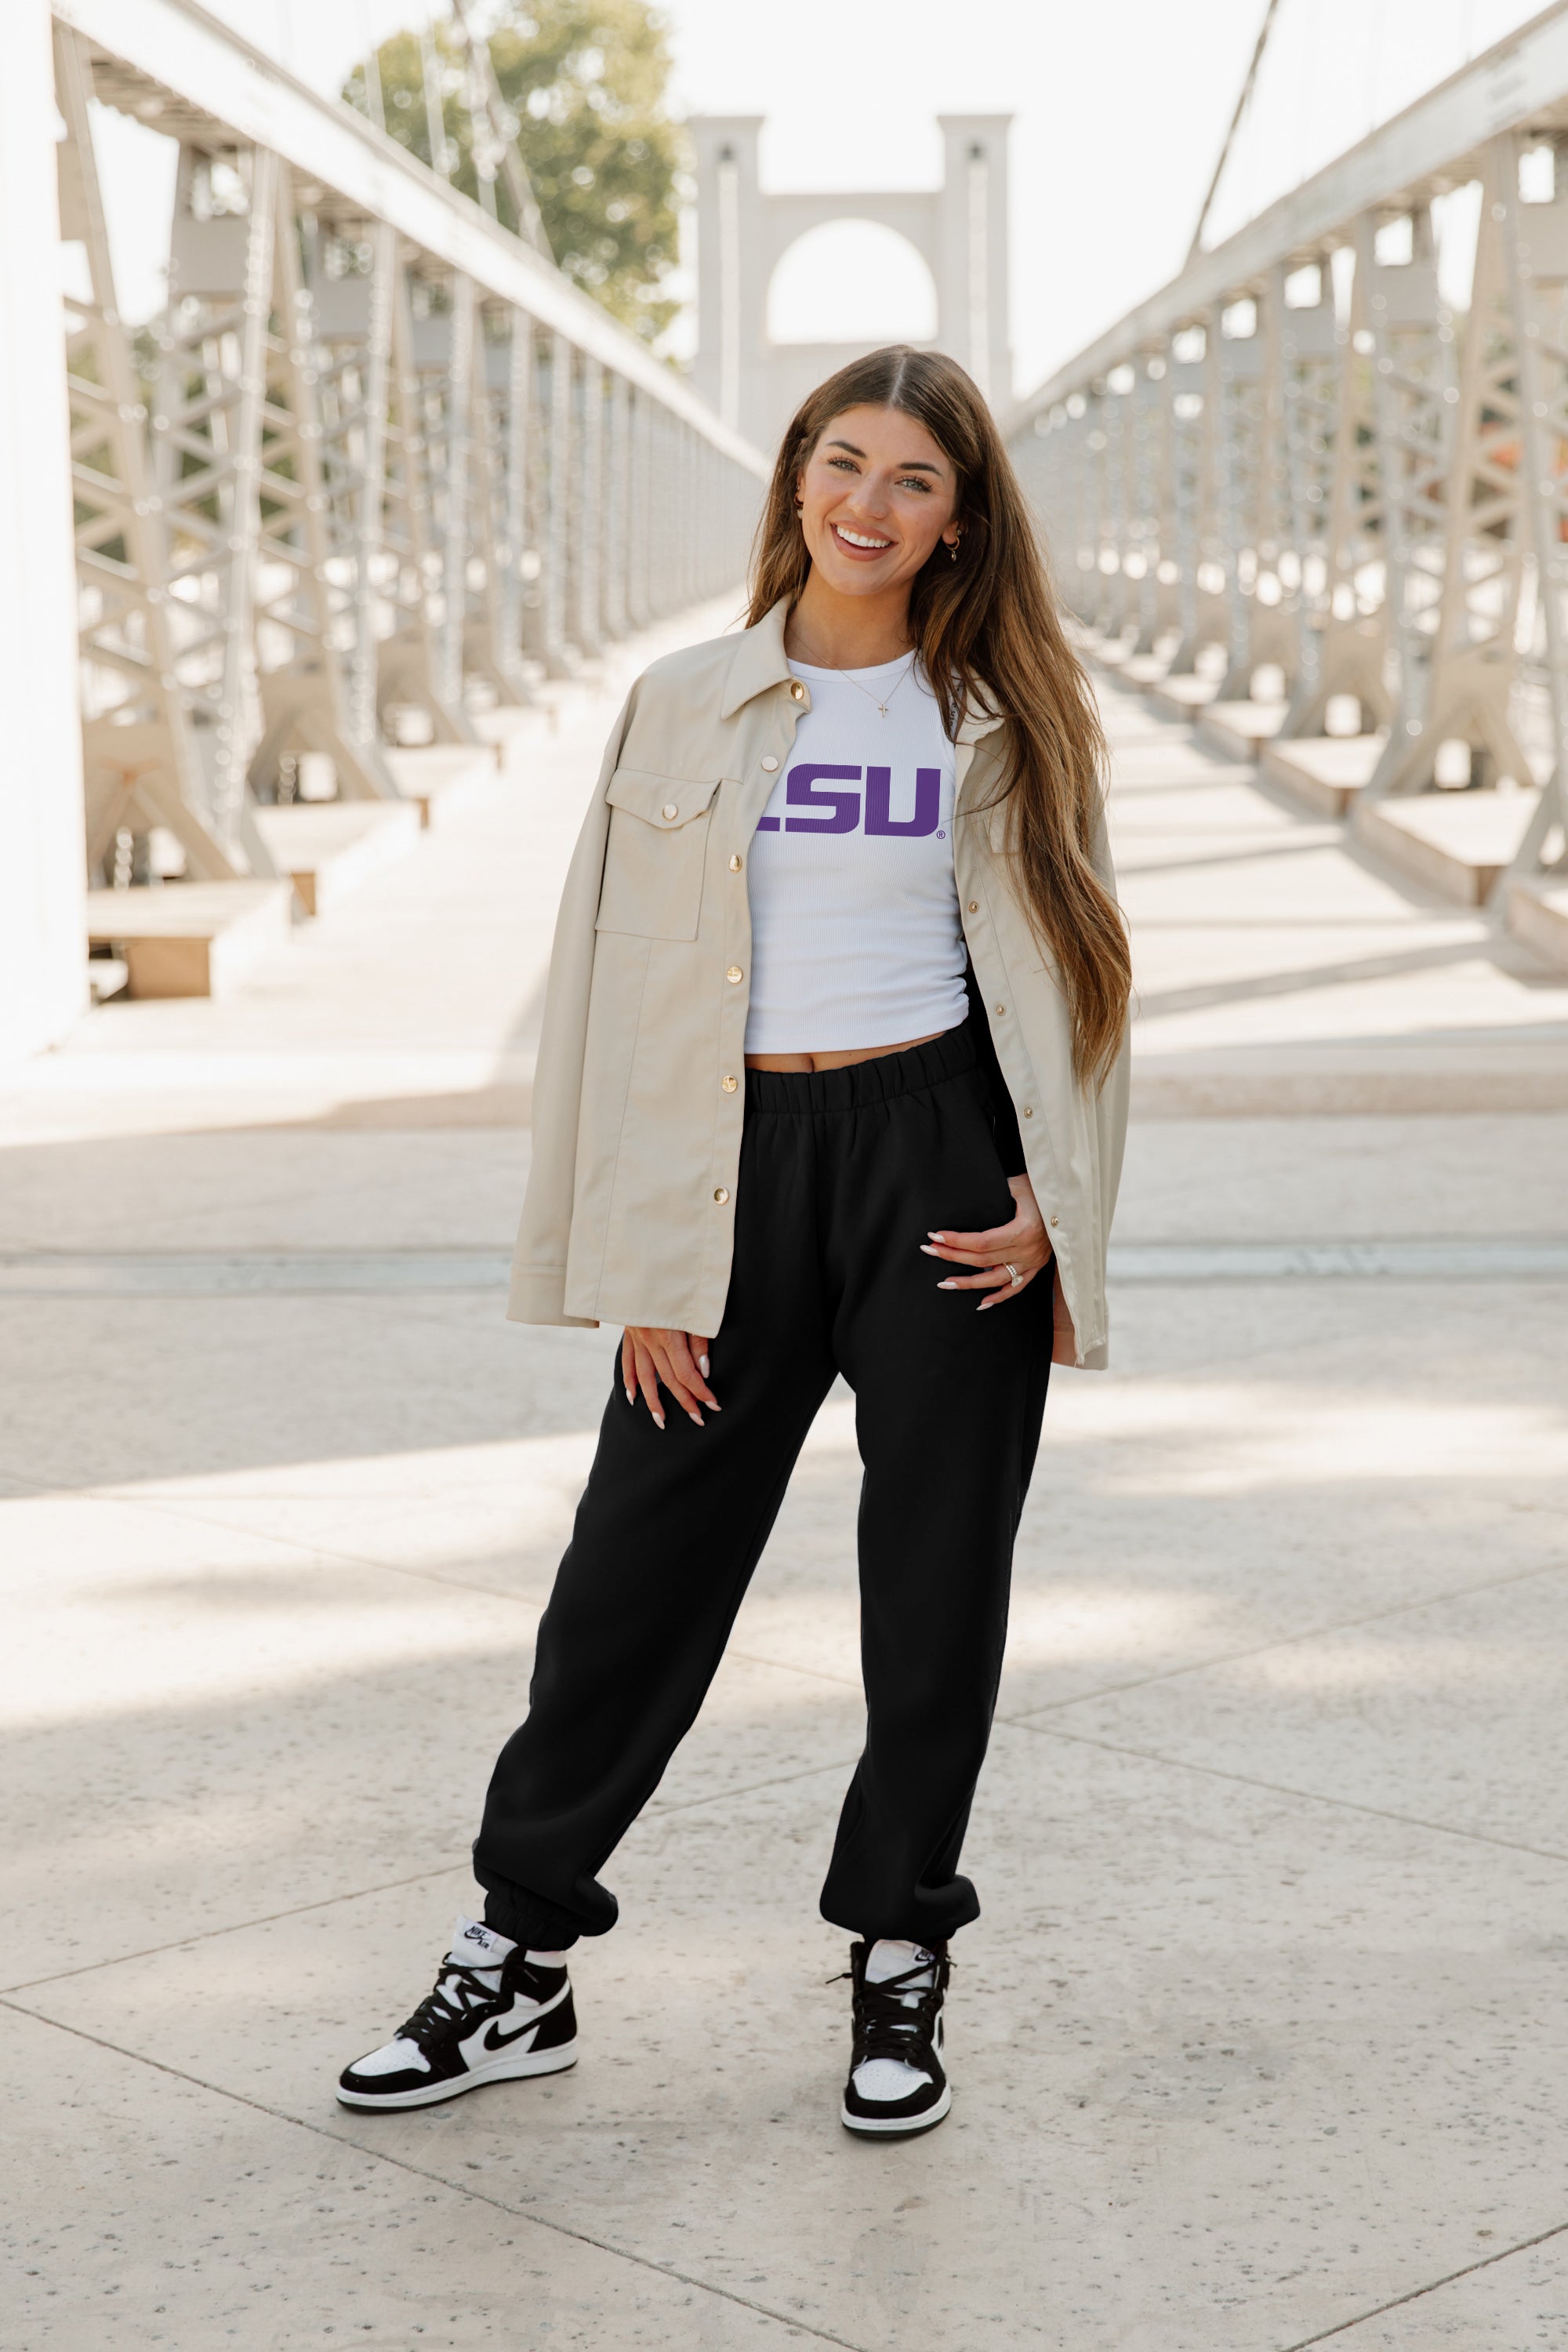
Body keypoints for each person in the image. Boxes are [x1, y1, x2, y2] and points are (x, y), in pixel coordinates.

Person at [337, 345, 1131, 2140]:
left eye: (913, 479)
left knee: (934, 1597)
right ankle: (517, 1954)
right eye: (840, 463)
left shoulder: (1004, 713)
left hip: (938, 1165)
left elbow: (1085, 973)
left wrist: (1049, 1207)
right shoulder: (683, 700)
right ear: (792, 480)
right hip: (730, 1167)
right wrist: (638, 1262)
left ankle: (898, 1959)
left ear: (958, 518)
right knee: (630, 1576)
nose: (867, 502)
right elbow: (611, 995)